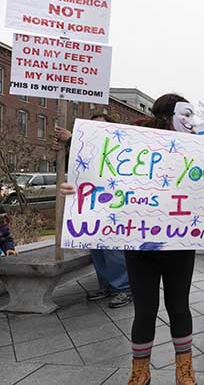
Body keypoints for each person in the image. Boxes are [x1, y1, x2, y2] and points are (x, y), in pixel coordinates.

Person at [60, 94, 204, 385]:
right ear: (168, 116)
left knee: (179, 306)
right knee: (145, 309)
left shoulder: (199, 149)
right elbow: (104, 175)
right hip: (140, 243)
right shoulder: (132, 143)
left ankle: (185, 369)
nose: (191, 122)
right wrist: (77, 188)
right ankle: (140, 370)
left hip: (179, 243)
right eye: (186, 115)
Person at [54, 114, 132, 309]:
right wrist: (63, 151)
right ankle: (106, 285)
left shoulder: (117, 145)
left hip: (113, 204)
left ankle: (123, 288)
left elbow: (102, 157)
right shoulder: (84, 146)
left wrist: (72, 139)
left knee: (113, 249)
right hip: (90, 204)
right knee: (96, 248)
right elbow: (79, 165)